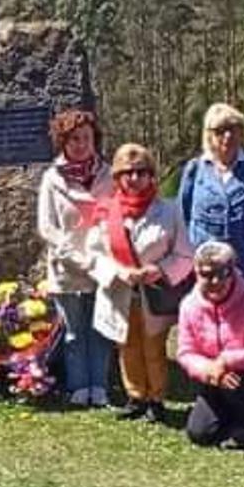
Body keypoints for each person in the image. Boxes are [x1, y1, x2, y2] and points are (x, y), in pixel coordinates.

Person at [87, 143, 193, 422]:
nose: (134, 178)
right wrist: (118, 272)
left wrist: (158, 270)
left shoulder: (169, 211)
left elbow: (184, 254)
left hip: (154, 293)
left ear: (151, 175)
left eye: (141, 172)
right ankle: (135, 397)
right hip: (119, 291)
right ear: (118, 177)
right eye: (127, 173)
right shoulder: (105, 213)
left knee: (154, 348)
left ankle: (156, 400)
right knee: (126, 345)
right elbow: (93, 254)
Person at [36, 108, 114, 407]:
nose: (80, 144)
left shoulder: (109, 174)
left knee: (100, 330)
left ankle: (100, 386)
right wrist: (76, 256)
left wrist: (102, 257)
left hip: (103, 268)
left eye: (86, 138)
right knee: (73, 332)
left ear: (95, 140)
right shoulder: (51, 179)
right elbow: (47, 227)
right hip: (67, 268)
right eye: (73, 139)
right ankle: (79, 387)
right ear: (62, 142)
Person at [177, 241, 244, 449]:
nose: (214, 281)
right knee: (200, 433)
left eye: (221, 273)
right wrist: (209, 370)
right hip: (214, 376)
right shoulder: (189, 306)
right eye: (206, 275)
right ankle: (231, 416)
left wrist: (225, 360)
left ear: (232, 272)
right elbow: (185, 352)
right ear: (196, 273)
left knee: (240, 386)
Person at [178, 103, 244, 293]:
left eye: (234, 129)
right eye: (220, 131)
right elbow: (182, 215)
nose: (228, 136)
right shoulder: (195, 170)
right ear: (208, 135)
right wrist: (190, 254)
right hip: (205, 267)